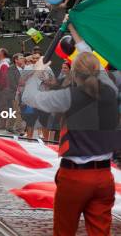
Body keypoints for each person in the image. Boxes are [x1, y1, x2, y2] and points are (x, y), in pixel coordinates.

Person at [23, 53, 120, 235]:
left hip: (75, 176)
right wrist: (80, 39)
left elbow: (31, 98)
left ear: (74, 74)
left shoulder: (69, 97)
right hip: (104, 176)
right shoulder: (110, 92)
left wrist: (36, 74)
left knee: (64, 230)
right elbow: (101, 74)